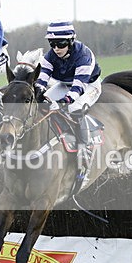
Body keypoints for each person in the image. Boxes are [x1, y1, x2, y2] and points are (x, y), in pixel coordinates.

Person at [35, 21, 102, 177]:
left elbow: (79, 86)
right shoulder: (49, 56)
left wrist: (64, 101)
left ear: (71, 41)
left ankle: (84, 148)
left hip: (88, 85)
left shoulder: (83, 55)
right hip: (64, 84)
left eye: (61, 43)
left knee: (73, 108)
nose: (56, 48)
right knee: (40, 105)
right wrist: (38, 92)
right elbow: (42, 78)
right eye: (52, 43)